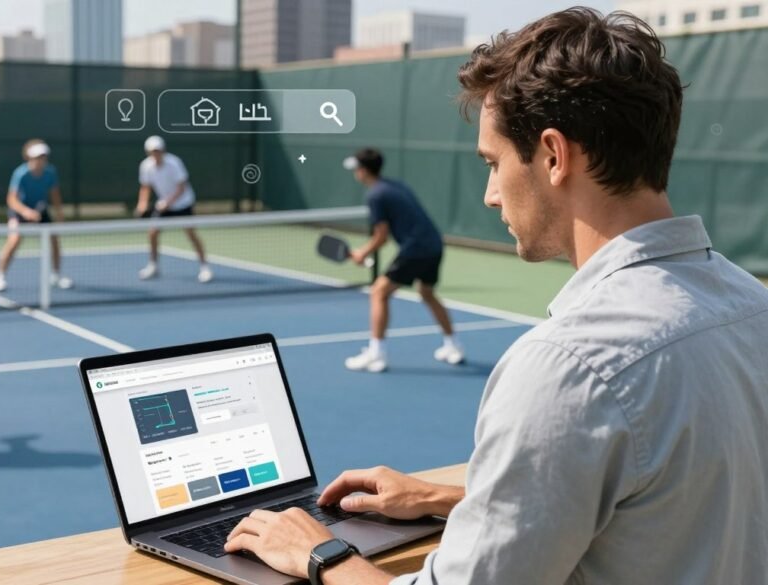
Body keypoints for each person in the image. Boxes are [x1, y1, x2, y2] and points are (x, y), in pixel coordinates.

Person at [221, 9, 768, 584]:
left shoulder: (568, 368)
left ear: (554, 156)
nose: (489, 194)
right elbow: (668, 510)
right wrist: (454, 497)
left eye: (493, 162)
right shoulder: (750, 307)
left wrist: (318, 552)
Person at [342, 148, 463, 372]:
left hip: (415, 248)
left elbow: (382, 236)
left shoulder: (375, 195)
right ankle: (453, 345)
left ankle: (376, 354)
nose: (355, 172)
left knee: (379, 292)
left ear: (364, 171)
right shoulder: (395, 185)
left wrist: (363, 253)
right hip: (434, 244)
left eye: (356, 168)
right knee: (426, 293)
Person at [0, 139, 73, 293]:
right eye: (37, 157)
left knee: (54, 239)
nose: (41, 160)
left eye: (43, 156)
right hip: (19, 211)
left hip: (40, 210)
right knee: (14, 240)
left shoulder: (50, 172)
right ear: (29, 157)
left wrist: (59, 213)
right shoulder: (20, 174)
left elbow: (54, 194)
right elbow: (11, 199)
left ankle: (55, 275)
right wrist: (25, 212)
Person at [135, 135, 213, 283]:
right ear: (148, 152)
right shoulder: (146, 166)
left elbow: (182, 188)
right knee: (152, 233)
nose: (156, 153)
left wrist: (167, 202)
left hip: (183, 203)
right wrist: (142, 204)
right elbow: (145, 187)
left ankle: (205, 267)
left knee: (190, 233)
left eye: (158, 150)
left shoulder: (174, 163)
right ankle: (154, 266)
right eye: (153, 151)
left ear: (163, 150)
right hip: (165, 205)